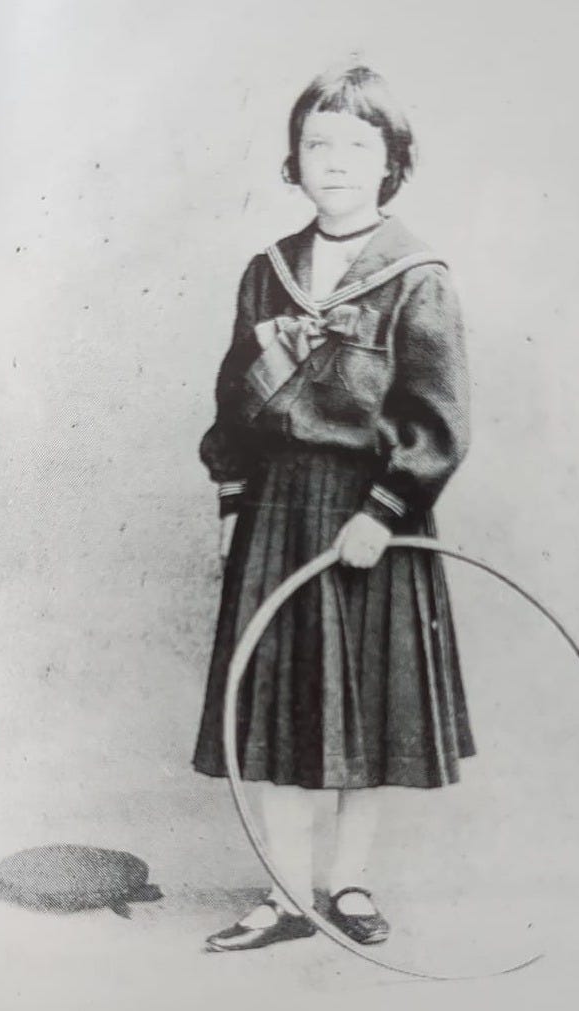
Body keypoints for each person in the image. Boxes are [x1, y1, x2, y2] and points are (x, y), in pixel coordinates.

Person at [193, 64, 475, 952]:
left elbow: (438, 419)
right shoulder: (267, 273)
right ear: (294, 161)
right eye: (318, 144)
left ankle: (348, 882)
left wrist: (383, 511)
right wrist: (235, 502)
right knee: (279, 706)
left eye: (358, 145)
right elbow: (233, 398)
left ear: (391, 162)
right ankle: (286, 893)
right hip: (278, 511)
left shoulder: (416, 278)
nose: (337, 161)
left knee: (366, 702)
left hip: (370, 518)